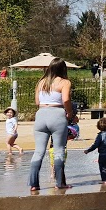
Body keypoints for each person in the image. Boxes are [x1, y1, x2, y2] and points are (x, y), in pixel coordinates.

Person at [29, 59, 73, 194]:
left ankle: (34, 184)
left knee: (38, 152)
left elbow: (37, 101)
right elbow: (65, 100)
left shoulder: (41, 82)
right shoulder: (65, 82)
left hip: (41, 115)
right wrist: (70, 113)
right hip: (57, 115)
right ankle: (60, 183)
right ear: (63, 69)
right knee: (59, 150)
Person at [82, 116, 106, 185]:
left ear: (98, 127)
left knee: (103, 168)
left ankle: (105, 180)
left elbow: (95, 145)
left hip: (102, 155)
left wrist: (88, 150)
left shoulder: (100, 136)